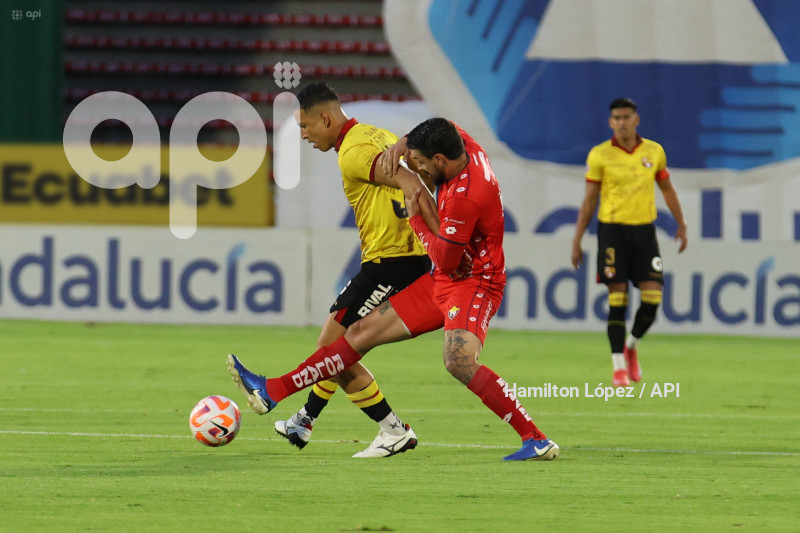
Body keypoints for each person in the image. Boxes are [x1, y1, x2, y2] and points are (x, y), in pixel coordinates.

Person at [228, 118, 559, 461]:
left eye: (422, 163)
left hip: (474, 282)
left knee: (459, 360)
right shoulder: (466, 148)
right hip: (444, 282)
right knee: (357, 333)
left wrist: (415, 218)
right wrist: (403, 144)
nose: (418, 170)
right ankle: (273, 391)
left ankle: (535, 438)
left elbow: (445, 259)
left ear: (440, 160)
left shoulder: (467, 196)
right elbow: (447, 124)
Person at [272, 82, 436, 457]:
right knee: (338, 346)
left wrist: (435, 234)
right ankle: (305, 420)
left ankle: (392, 429)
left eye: (305, 126)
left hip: (392, 261)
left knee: (332, 347)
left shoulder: (352, 153)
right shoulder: (379, 134)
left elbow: (411, 181)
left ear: (325, 118)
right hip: (396, 256)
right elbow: (421, 176)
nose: (303, 135)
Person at [571, 97, 688, 388]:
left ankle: (631, 345)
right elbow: (589, 201)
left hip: (644, 232)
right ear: (611, 122)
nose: (622, 122)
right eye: (617, 118)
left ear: (636, 119)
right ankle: (618, 368)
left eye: (627, 117)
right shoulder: (599, 155)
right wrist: (577, 239)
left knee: (653, 299)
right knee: (617, 299)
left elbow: (666, 188)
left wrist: (681, 223)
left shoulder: (654, 151)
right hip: (612, 233)